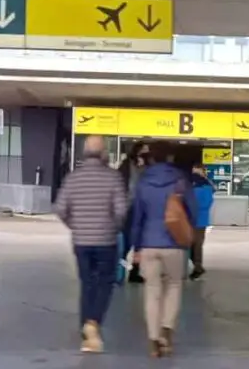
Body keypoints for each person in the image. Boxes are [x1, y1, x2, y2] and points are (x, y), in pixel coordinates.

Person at [54, 135, 128, 354]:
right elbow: (122, 210)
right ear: (104, 153)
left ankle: (86, 330)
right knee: (105, 283)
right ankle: (93, 322)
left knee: (87, 284)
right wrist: (112, 227)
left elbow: (60, 208)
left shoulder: (73, 178)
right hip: (106, 241)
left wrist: (75, 225)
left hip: (81, 242)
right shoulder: (113, 178)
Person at [129, 141, 198, 358]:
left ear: (151, 158)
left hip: (149, 243)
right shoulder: (180, 180)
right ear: (169, 158)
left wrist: (136, 247)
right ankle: (166, 331)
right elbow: (193, 211)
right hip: (175, 244)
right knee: (175, 285)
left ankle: (153, 340)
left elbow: (137, 218)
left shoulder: (143, 181)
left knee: (152, 291)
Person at [117, 141, 149, 284]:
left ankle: (135, 271)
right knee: (126, 240)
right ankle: (120, 270)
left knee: (140, 243)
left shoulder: (149, 167)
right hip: (128, 208)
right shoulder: (126, 165)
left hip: (143, 208)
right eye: (144, 150)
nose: (146, 154)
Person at [188, 162, 215, 280]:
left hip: (198, 219)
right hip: (194, 219)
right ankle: (197, 266)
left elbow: (206, 203)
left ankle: (198, 266)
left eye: (197, 170)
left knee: (196, 244)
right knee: (192, 244)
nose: (195, 172)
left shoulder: (204, 185)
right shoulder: (192, 184)